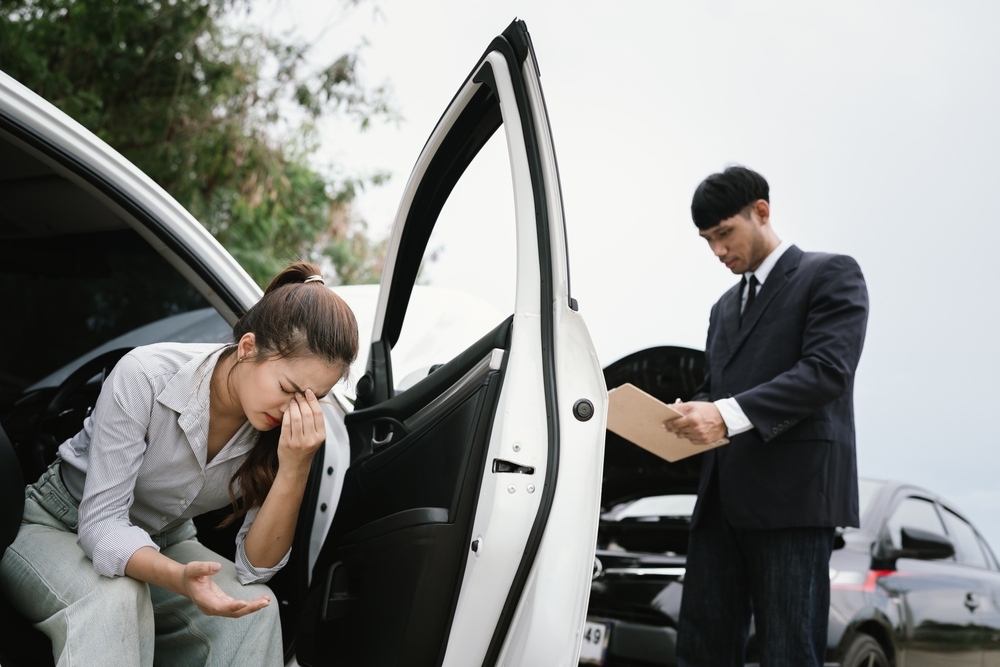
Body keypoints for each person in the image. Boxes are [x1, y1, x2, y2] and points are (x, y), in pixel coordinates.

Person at [0, 261, 358, 667]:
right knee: (117, 595)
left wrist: (296, 466)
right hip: (56, 523)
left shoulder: (283, 430)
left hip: (164, 538)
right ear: (247, 348)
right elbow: (101, 527)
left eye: (313, 399)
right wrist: (179, 580)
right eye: (288, 389)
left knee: (255, 610)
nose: (295, 409)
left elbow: (255, 570)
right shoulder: (146, 375)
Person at [664, 167, 869, 666]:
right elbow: (717, 390)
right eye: (707, 240)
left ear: (761, 211)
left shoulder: (831, 273)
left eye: (724, 233)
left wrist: (723, 413)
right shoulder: (722, 307)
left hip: (792, 501)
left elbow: (826, 373)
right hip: (719, 504)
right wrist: (689, 411)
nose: (718, 251)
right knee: (700, 650)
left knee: (787, 652)